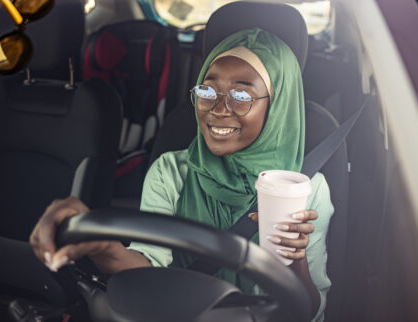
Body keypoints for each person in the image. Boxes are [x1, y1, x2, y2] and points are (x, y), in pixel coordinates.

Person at [30, 28, 334, 321]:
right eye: (207, 89)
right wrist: (102, 245)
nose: (217, 109)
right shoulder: (170, 172)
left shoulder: (308, 188)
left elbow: (308, 311)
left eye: (241, 97)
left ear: (277, 106)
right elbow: (148, 267)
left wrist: (295, 261)